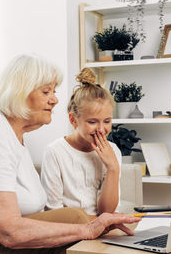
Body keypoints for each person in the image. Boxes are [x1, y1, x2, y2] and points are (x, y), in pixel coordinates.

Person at [0, 55, 140, 254]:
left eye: (54, 91)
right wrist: (87, 229)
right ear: (19, 93)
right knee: (76, 224)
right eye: (46, 92)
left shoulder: (14, 133)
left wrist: (91, 224)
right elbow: (9, 232)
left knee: (75, 219)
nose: (54, 100)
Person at [41, 68, 121, 216]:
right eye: (92, 122)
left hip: (101, 227)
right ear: (73, 120)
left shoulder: (113, 151)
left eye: (107, 121)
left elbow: (107, 211)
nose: (101, 129)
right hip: (68, 231)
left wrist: (113, 168)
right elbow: (53, 213)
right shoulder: (55, 152)